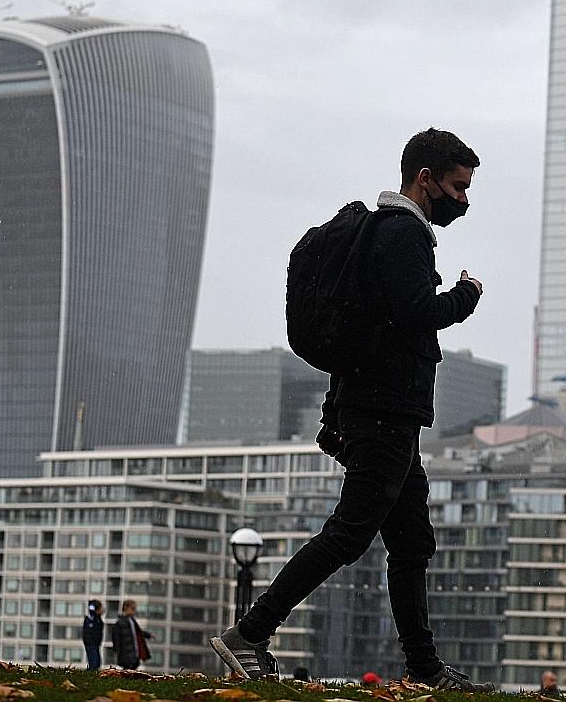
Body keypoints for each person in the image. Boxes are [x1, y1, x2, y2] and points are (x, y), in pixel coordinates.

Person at [211, 129, 487, 690]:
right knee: (350, 532)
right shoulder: (403, 234)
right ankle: (250, 633)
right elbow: (414, 314)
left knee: (410, 541)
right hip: (383, 410)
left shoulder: (387, 234)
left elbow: (380, 320)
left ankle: (425, 667)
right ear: (425, 178)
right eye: (458, 187)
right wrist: (464, 297)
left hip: (383, 410)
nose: (464, 200)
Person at [111, 600, 152, 671]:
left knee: (133, 667)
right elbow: (116, 638)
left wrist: (148, 635)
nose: (134, 611)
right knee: (128, 669)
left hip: (134, 652)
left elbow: (138, 633)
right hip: (126, 652)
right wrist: (117, 650)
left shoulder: (132, 621)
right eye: (132, 608)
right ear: (126, 608)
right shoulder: (120, 623)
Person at [81, 600, 105, 671]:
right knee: (94, 662)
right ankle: (91, 673)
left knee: (97, 662)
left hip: (96, 643)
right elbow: (88, 632)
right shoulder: (91, 619)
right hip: (91, 643)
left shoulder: (97, 619)